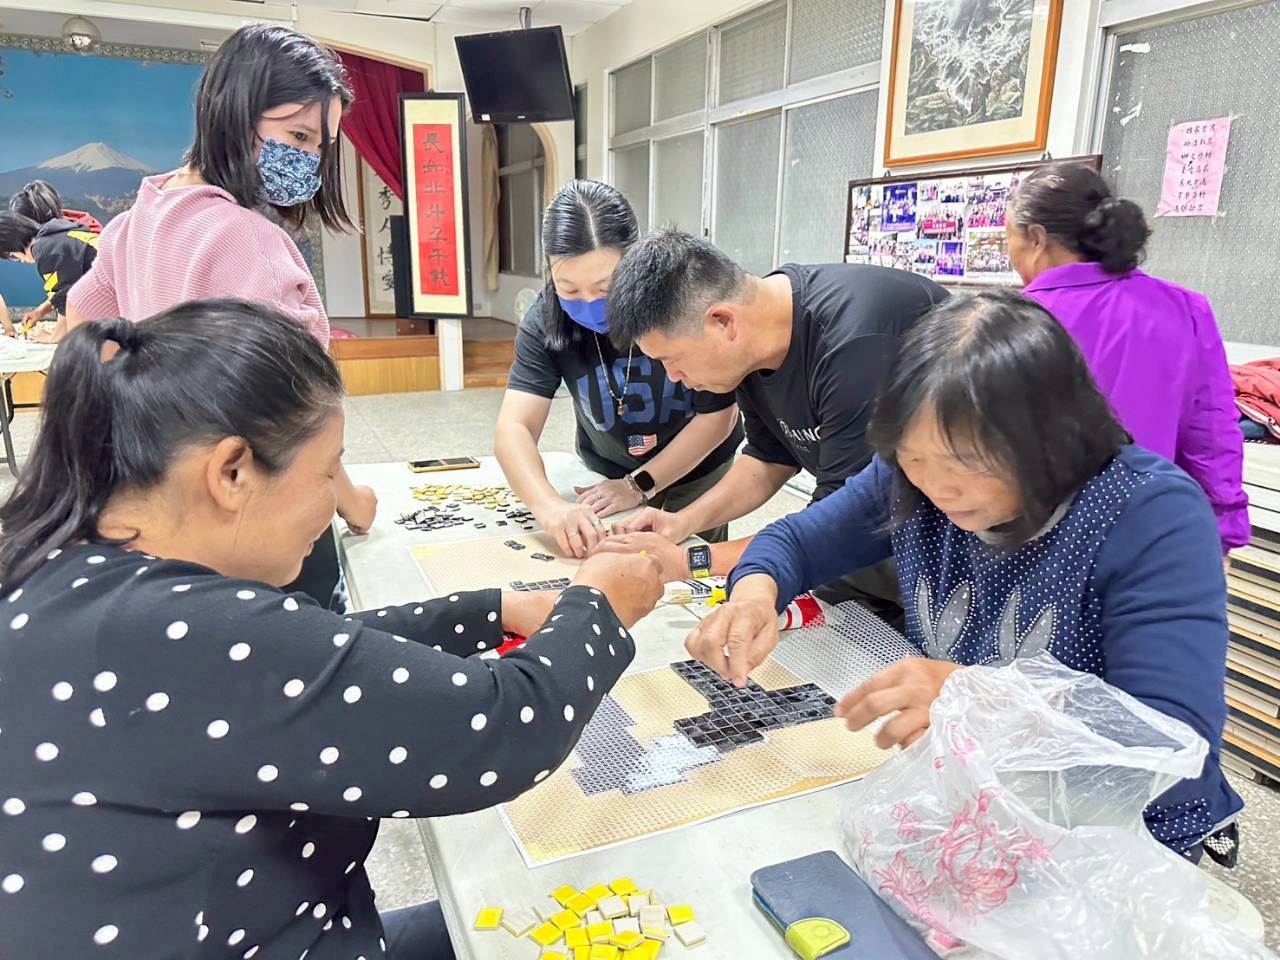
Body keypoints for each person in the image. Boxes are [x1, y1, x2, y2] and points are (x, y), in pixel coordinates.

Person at [0, 300, 664, 959]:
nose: (332, 504)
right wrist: (599, 604)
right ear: (231, 472)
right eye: (327, 472)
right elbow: (506, 727)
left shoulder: (67, 573)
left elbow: (311, 653)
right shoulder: (179, 632)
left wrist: (490, 609)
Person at [688, 290, 1242, 863]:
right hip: (985, 805)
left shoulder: (1148, 514)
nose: (939, 487)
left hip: (1119, 842)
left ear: (1050, 435)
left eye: (969, 460)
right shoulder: (909, 477)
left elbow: (1170, 739)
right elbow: (794, 542)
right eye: (914, 458)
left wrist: (977, 702)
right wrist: (754, 595)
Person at [63, 22, 376, 602]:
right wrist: (351, 499)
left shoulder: (132, 224)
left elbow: (79, 331)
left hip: (174, 512)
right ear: (234, 112)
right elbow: (291, 415)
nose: (308, 159)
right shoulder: (247, 239)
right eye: (298, 135)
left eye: (319, 146)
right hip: (263, 517)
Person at [599, 230, 947, 623]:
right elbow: (768, 458)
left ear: (722, 322)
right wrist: (681, 522)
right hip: (874, 556)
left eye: (671, 359)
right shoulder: (754, 340)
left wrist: (689, 561)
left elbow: (834, 528)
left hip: (947, 555)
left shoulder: (855, 344)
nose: (674, 377)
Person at [1006, 162, 1248, 558]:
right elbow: (1211, 434)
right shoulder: (1186, 308)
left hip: (1037, 544)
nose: (1009, 253)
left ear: (1036, 238)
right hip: (1148, 537)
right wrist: (1221, 532)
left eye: (1008, 237)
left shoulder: (1013, 318)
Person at [495, 182, 743, 559]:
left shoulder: (681, 300)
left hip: (698, 468)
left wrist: (638, 485)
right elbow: (514, 427)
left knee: (689, 570)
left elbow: (718, 416)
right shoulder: (546, 319)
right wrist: (550, 507)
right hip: (607, 472)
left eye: (606, 287)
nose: (589, 303)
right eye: (569, 290)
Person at [5, 180, 102, 337]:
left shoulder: (50, 246)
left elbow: (67, 293)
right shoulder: (68, 228)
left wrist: (56, 335)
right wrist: (41, 311)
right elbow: (72, 282)